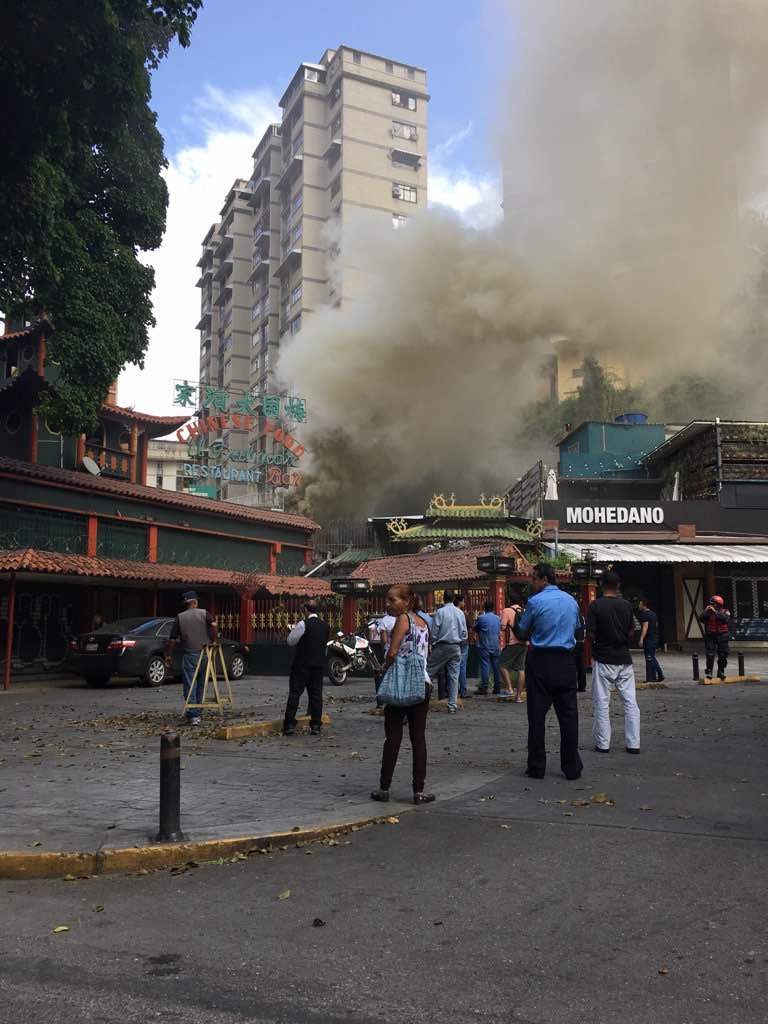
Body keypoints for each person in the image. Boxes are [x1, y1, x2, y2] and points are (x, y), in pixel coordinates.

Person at [513, 563, 582, 780]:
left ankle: (537, 766)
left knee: (537, 716)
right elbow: (578, 629)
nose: (531, 583)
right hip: (566, 661)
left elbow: (523, 634)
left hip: (541, 662)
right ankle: (572, 767)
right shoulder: (571, 601)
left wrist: (516, 624)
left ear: (543, 579)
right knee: (569, 717)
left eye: (533, 579)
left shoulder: (535, 602)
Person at [371, 585, 435, 805]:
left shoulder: (403, 620)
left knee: (393, 737)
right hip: (422, 684)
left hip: (401, 683)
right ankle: (419, 791)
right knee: (419, 738)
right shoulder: (424, 622)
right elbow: (428, 652)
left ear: (406, 601)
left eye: (392, 600)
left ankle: (384, 787)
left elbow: (393, 651)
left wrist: (384, 668)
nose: (388, 604)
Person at [587, 571, 641, 754]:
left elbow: (590, 634)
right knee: (630, 702)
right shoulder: (626, 605)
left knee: (602, 702)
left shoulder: (595, 606)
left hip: (603, 658)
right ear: (618, 585)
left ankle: (603, 743)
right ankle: (633, 743)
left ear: (601, 584)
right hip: (624, 658)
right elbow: (632, 631)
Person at [165, 590, 216, 727]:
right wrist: (213, 641)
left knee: (190, 684)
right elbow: (213, 627)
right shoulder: (205, 613)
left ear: (186, 603)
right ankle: (197, 712)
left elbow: (172, 639)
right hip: (205, 653)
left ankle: (193, 715)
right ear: (195, 602)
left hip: (189, 654)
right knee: (201, 683)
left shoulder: (180, 617)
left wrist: (168, 655)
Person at [283, 602, 331, 736]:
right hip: (318, 665)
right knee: (316, 695)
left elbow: (290, 641)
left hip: (302, 664)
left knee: (295, 693)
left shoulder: (303, 624)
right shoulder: (326, 626)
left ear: (305, 610)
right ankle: (315, 725)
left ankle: (289, 724)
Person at [427, 589, 467, 714]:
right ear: (454, 599)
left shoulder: (440, 612)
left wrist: (432, 642)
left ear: (443, 598)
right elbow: (464, 633)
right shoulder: (459, 613)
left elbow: (434, 631)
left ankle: (421, 700)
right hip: (456, 647)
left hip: (441, 646)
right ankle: (452, 706)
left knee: (428, 673)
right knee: (454, 677)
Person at [474, 600, 504, 695]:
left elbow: (476, 628)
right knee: (496, 666)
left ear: (484, 608)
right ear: (493, 608)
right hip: (495, 645)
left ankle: (484, 687)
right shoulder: (497, 618)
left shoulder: (481, 618)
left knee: (485, 666)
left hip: (484, 645)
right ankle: (497, 687)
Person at [500, 593, 526, 701]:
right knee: (521, 669)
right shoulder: (524, 611)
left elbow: (503, 627)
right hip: (524, 643)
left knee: (502, 665)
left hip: (512, 643)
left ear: (509, 601)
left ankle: (509, 689)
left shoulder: (507, 610)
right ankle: (518, 696)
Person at [699, 595, 731, 681]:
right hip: (711, 635)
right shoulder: (708, 612)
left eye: (713, 604)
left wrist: (715, 612)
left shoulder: (726, 611)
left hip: (722, 635)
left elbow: (725, 619)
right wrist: (706, 611)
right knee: (710, 654)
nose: (711, 605)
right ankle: (709, 671)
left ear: (718, 604)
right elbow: (701, 619)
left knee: (723, 654)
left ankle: (721, 671)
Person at [637, 598, 664, 682]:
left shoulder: (645, 615)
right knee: (651, 657)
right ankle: (653, 676)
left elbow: (645, 627)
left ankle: (658, 675)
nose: (639, 606)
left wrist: (641, 639)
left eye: (640, 604)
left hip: (648, 639)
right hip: (654, 638)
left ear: (644, 605)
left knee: (649, 658)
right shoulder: (653, 614)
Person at [453, 593, 470, 699]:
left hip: (452, 641)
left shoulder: (447, 612)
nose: (464, 603)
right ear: (459, 602)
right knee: (462, 666)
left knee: (453, 667)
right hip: (462, 642)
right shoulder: (462, 613)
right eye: (463, 601)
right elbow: (468, 626)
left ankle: (453, 690)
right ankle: (463, 690)